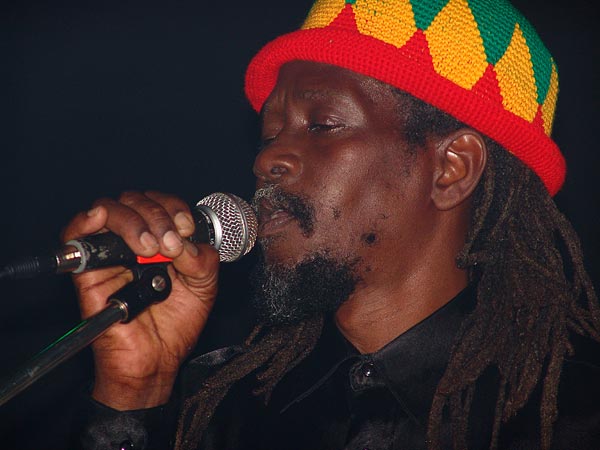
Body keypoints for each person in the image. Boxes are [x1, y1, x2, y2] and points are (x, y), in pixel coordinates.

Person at [68, 0, 600, 449]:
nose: (266, 160)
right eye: (269, 134)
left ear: (451, 168)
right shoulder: (222, 408)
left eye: (323, 125)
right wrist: (133, 394)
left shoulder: (571, 422)